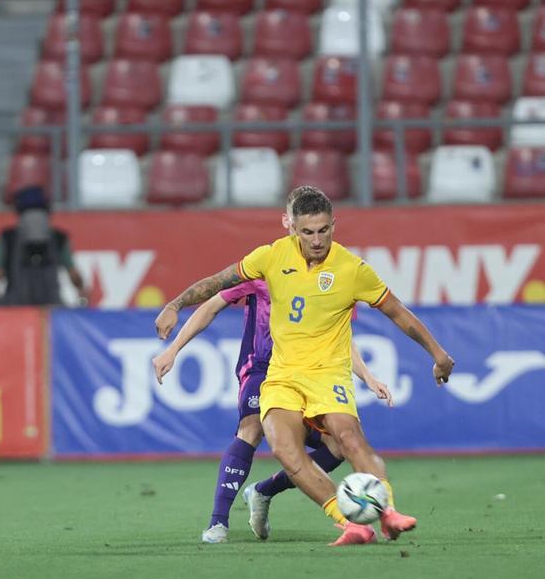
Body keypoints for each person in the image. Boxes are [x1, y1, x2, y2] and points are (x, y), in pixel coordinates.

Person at [155, 186, 455, 546]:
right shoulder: (269, 258)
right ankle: (349, 523)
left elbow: (398, 313)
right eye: (308, 232)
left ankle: (388, 512)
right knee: (284, 447)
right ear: (292, 228)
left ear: (334, 225)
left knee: (348, 439)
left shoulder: (351, 269)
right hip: (280, 376)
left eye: (324, 230)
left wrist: (438, 354)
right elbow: (217, 284)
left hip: (328, 375)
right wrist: (174, 304)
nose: (317, 240)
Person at [0, 186, 87, 306]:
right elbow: (73, 272)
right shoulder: (59, 237)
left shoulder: (8, 237)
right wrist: (81, 290)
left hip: (15, 307)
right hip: (51, 306)